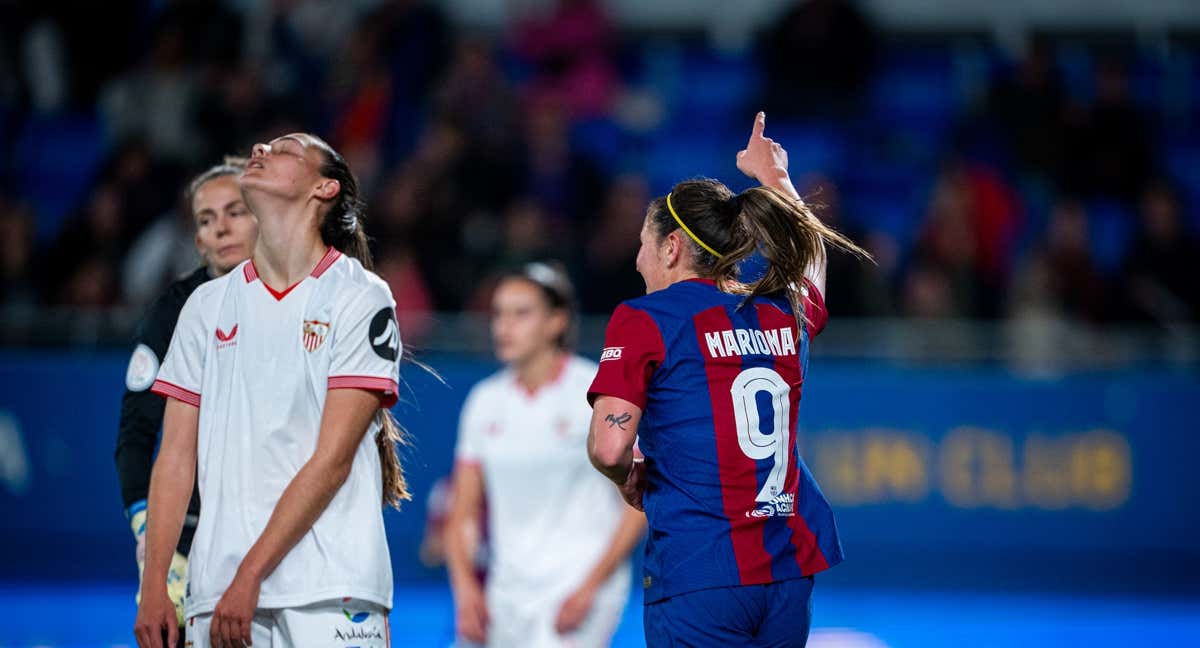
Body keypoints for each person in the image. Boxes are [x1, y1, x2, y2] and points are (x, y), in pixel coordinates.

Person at [587, 113, 869, 647]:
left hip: (699, 568)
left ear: (671, 248)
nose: (637, 256)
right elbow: (812, 264)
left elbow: (608, 445)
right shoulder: (781, 311)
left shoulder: (646, 317)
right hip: (786, 571)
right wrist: (777, 179)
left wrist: (627, 475)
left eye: (644, 242)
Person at [134, 133, 409, 648]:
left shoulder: (360, 296)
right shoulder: (205, 306)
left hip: (331, 586)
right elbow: (173, 457)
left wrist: (251, 574)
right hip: (217, 590)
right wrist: (155, 589)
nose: (260, 147)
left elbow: (333, 460)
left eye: (286, 150)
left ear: (324, 188)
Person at [446, 261, 645, 648]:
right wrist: (466, 590)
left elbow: (637, 503)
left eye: (521, 313)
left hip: (577, 592)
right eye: (499, 313)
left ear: (556, 322)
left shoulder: (595, 392)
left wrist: (591, 587)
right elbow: (463, 512)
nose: (504, 326)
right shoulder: (484, 401)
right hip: (506, 594)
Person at [115, 158, 259, 635]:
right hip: (189, 538)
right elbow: (137, 434)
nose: (221, 228)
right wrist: (150, 543)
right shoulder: (173, 314)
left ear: (263, 217)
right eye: (206, 219)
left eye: (235, 211)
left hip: (275, 533)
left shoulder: (305, 301)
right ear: (197, 241)